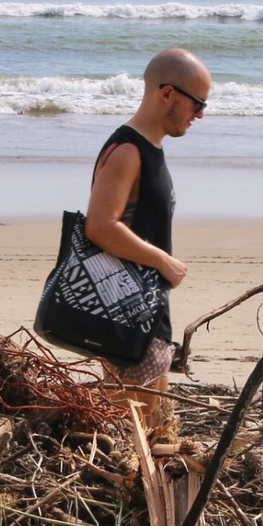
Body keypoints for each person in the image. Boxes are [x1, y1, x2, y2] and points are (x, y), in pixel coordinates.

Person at [82, 47, 212, 408]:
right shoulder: (127, 151)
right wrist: (163, 261)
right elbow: (100, 226)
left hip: (148, 316)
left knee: (156, 428)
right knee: (136, 431)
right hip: (128, 320)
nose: (200, 115)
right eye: (197, 103)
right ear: (167, 93)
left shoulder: (150, 149)